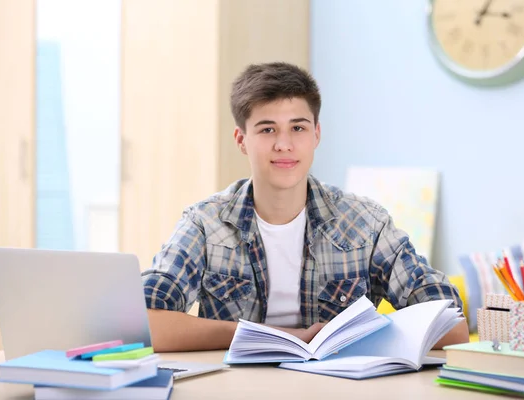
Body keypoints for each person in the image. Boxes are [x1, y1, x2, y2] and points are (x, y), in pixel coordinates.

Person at [142, 62, 469, 352]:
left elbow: (450, 323)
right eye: (267, 129)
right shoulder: (205, 223)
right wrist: (278, 336)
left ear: (316, 134)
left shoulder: (366, 223)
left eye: (297, 128)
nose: (284, 143)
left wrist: (357, 338)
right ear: (241, 140)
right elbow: (147, 323)